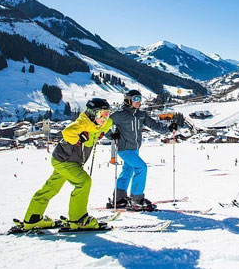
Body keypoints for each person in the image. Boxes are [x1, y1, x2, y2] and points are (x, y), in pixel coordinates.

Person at [21, 98, 112, 231]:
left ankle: (33, 218)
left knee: (51, 188)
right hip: (65, 160)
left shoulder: (102, 123)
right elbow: (68, 132)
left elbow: (109, 123)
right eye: (101, 114)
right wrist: (78, 138)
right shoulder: (82, 123)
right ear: (92, 114)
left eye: (107, 114)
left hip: (68, 160)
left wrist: (107, 133)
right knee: (83, 182)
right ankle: (78, 220)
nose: (105, 118)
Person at [106, 90, 177, 211]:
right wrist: (111, 135)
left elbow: (155, 125)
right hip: (124, 149)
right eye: (136, 99)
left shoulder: (141, 115)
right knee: (141, 168)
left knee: (127, 171)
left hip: (135, 149)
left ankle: (119, 199)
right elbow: (104, 125)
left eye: (140, 99)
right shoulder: (119, 115)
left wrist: (168, 129)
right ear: (128, 100)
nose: (139, 102)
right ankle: (136, 200)